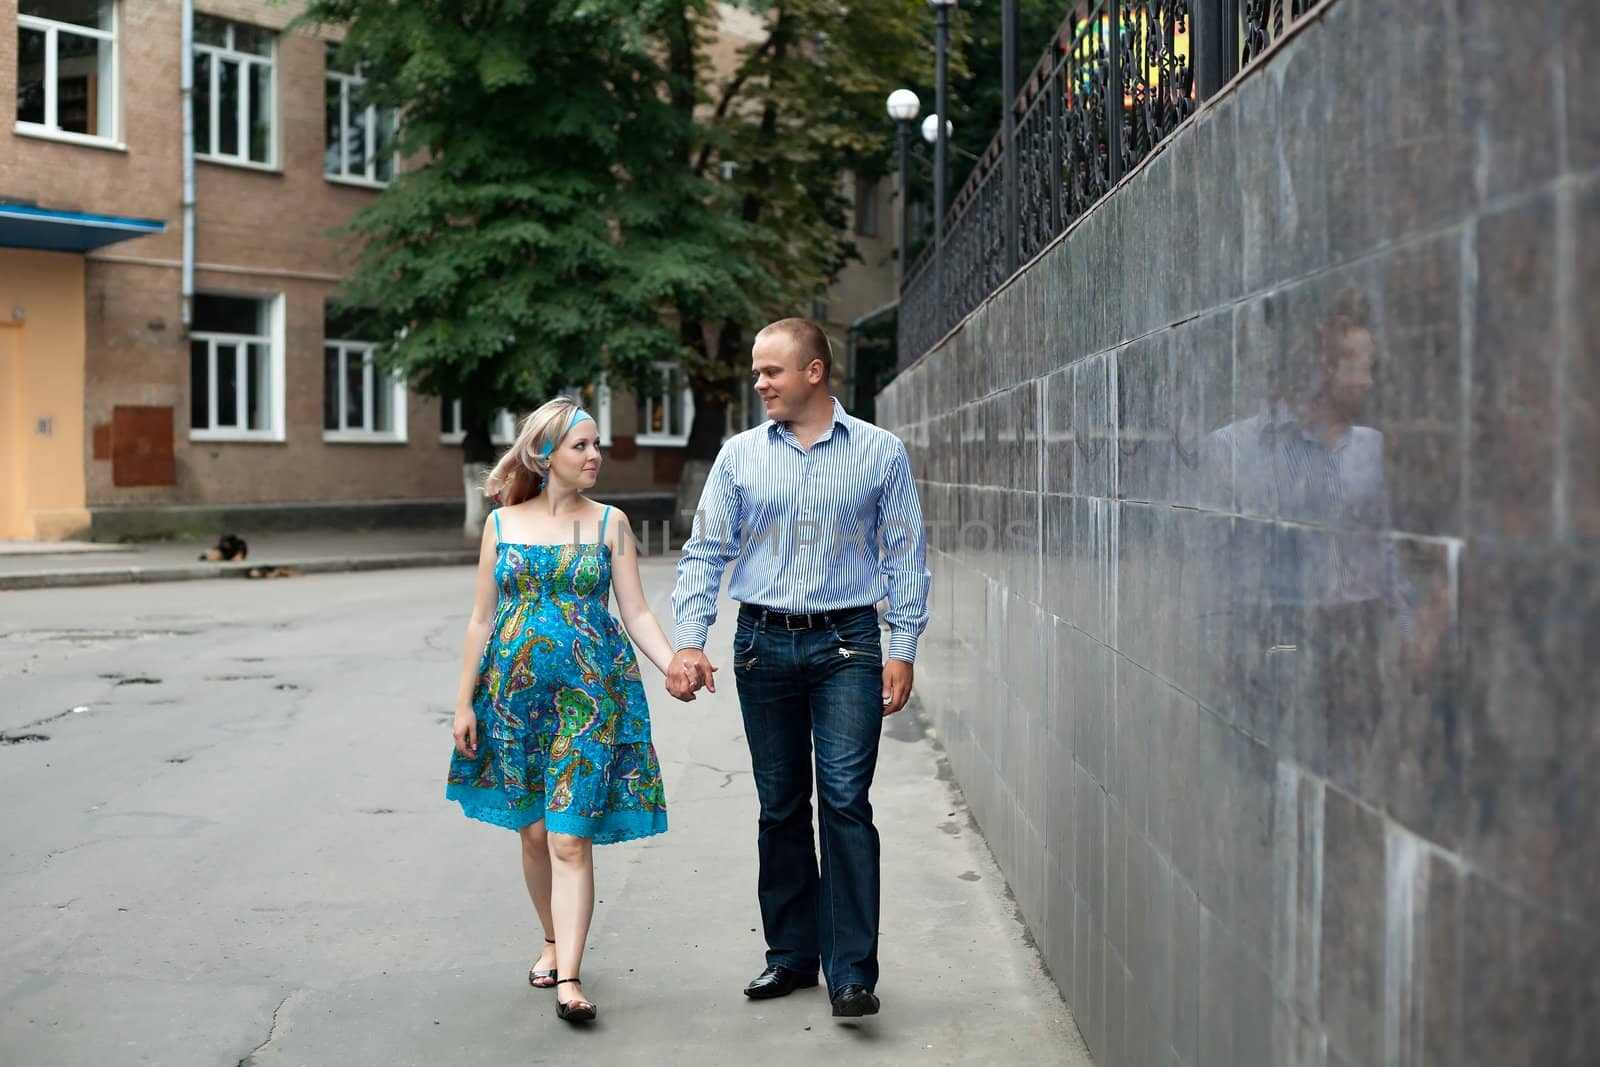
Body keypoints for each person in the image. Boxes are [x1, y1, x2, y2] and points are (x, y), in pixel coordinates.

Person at [667, 318, 931, 1019]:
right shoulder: (739, 456)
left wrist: (902, 646)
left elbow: (906, 551)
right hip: (761, 643)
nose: (759, 383)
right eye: (756, 371)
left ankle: (851, 973)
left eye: (770, 371)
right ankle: (790, 955)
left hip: (848, 644)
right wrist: (690, 639)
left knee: (844, 800)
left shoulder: (880, 452)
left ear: (814, 371)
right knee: (780, 805)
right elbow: (704, 551)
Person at [446, 396, 675, 1024]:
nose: (596, 455)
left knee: (571, 838)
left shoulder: (610, 524)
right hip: (512, 702)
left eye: (596, 444)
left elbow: (637, 614)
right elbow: (479, 618)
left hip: (592, 700)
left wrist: (673, 662)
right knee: (536, 834)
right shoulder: (502, 525)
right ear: (543, 456)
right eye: (582, 446)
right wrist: (463, 703)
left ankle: (570, 977)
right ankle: (550, 938)